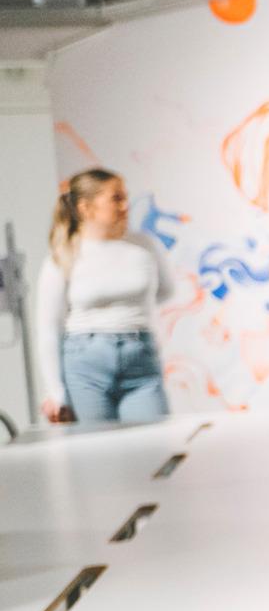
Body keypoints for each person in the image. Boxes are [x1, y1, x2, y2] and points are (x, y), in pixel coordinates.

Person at [36, 167, 175, 427]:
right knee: (97, 451)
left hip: (140, 359)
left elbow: (166, 290)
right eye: (116, 198)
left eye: (125, 197)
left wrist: (128, 312)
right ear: (86, 208)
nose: (125, 205)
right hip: (85, 364)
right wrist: (56, 392)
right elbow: (48, 328)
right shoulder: (64, 254)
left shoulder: (143, 246)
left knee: (151, 445)